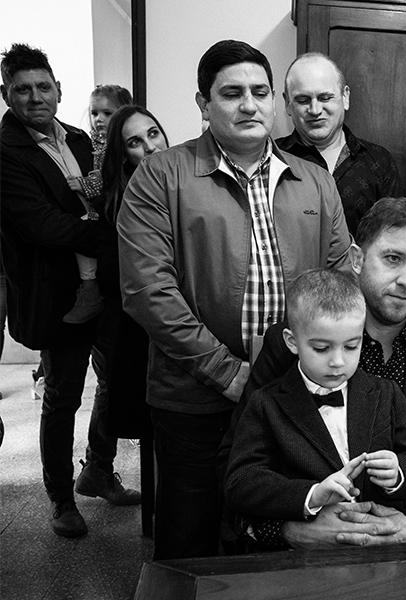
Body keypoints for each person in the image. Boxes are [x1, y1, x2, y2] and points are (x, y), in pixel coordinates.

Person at [117, 39, 352, 559]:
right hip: (195, 398)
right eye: (231, 93)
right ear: (203, 105)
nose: (249, 104)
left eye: (260, 92)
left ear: (275, 102)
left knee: (279, 533)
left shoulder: (313, 180)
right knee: (191, 536)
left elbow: (337, 283)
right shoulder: (161, 176)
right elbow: (146, 290)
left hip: (291, 396)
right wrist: (227, 372)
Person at [219, 197, 406, 548]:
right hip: (306, 543)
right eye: (393, 259)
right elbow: (234, 465)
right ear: (357, 259)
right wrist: (290, 529)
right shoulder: (297, 343)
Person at [0, 43, 139, 539]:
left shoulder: (81, 140)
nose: (35, 96)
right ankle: (60, 498)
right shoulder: (6, 151)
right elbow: (41, 224)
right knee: (62, 397)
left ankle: (98, 470)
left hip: (104, 287)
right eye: (23, 89)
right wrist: (107, 234)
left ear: (58, 89)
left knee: (118, 380)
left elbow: (106, 197)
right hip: (57, 296)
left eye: (43, 86)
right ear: (7, 94)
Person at [225, 269, 406, 544]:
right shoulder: (266, 403)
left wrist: (398, 473)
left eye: (351, 346)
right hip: (303, 554)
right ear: (292, 342)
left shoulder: (386, 394)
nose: (338, 361)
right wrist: (311, 495)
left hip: (381, 550)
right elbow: (241, 482)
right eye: (322, 348)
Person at [97, 105, 169, 442]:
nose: (150, 146)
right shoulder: (120, 201)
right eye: (135, 142)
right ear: (123, 155)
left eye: (153, 134)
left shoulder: (184, 181)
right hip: (141, 324)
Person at [277, 52, 401, 235]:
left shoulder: (379, 162)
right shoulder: (272, 158)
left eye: (325, 98)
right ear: (287, 103)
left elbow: (394, 236)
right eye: (303, 100)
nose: (315, 110)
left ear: (345, 97)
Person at [61, 84, 133, 325]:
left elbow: (105, 180)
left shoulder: (120, 144)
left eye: (107, 113)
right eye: (94, 113)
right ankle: (89, 287)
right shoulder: (94, 142)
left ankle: (90, 289)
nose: (99, 120)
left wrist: (84, 186)